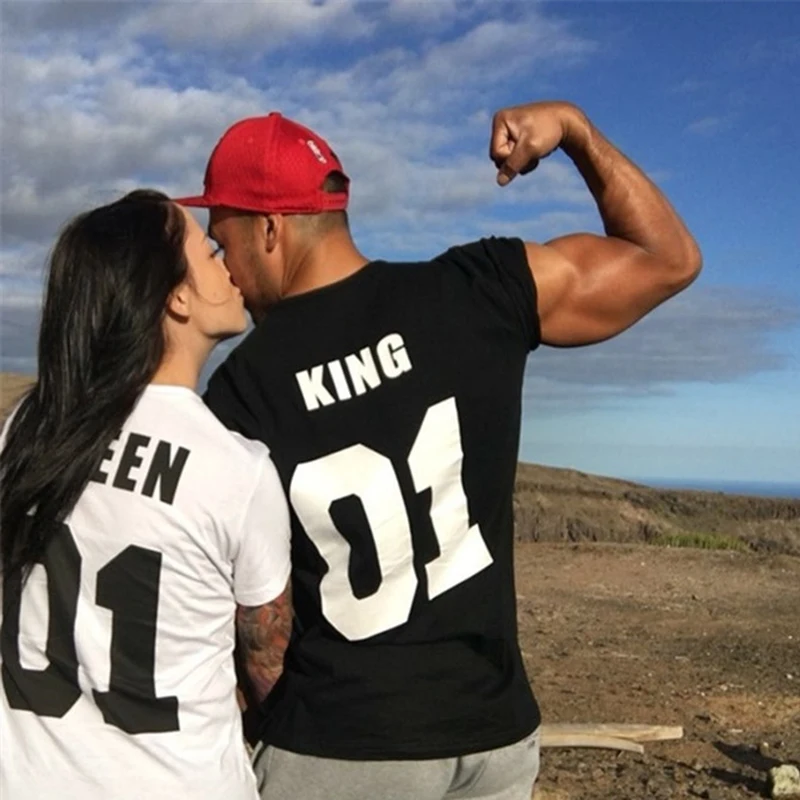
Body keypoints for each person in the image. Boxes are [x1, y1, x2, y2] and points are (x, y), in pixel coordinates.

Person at [178, 100, 702, 800]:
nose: (226, 267)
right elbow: (668, 259)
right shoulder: (477, 291)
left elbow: (235, 606)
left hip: (338, 746)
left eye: (223, 239)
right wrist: (575, 130)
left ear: (269, 228)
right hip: (491, 740)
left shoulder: (243, 389)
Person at [0, 190, 292, 800]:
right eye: (209, 252)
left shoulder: (24, 429)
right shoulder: (235, 469)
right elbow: (268, 663)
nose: (229, 268)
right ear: (176, 297)